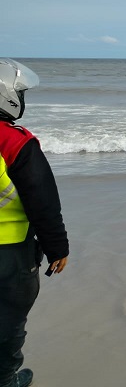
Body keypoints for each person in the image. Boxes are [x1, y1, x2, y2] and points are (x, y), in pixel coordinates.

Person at [0, 59, 70, 387]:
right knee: (8, 323)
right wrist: (58, 247)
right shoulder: (15, 142)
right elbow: (43, 201)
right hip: (10, 254)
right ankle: (5, 379)